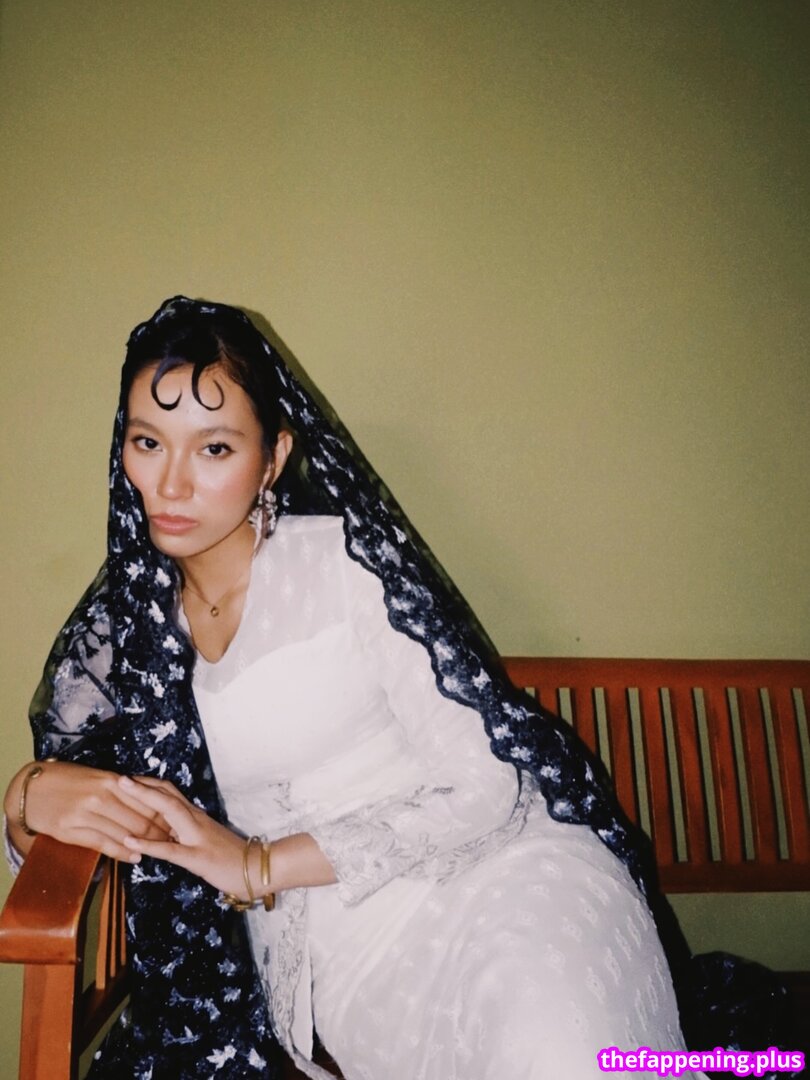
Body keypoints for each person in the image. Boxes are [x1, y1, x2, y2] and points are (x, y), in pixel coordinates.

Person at [4, 297, 704, 1080]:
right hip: (344, 962)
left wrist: (258, 866)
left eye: (215, 448)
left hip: (506, 878)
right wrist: (26, 796)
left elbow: (487, 785)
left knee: (561, 1052)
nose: (170, 483)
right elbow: (93, 812)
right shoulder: (125, 633)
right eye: (147, 442)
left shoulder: (343, 566)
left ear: (273, 458)